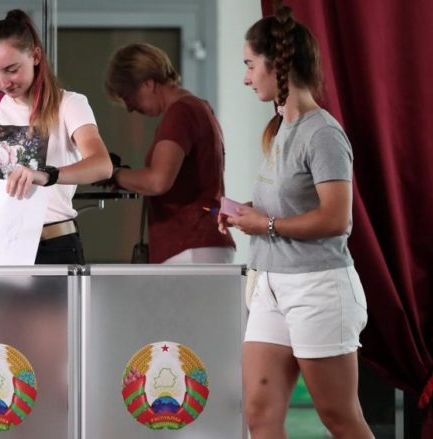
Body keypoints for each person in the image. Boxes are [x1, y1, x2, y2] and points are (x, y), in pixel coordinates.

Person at [219, 3, 373, 438]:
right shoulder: (282, 128)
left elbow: (336, 219)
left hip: (317, 287)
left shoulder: (322, 133)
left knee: (339, 418)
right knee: (259, 415)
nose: (246, 77)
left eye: (250, 65)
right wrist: (245, 213)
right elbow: (288, 204)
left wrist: (265, 225)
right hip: (270, 284)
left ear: (278, 66)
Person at [0, 9, 112, 264]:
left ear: (35, 56)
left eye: (12, 70)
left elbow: (102, 165)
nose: (4, 82)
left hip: (53, 246)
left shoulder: (69, 104)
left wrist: (45, 175)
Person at [103, 43, 235, 264]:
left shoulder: (180, 113)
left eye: (128, 97)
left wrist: (113, 174)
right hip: (202, 241)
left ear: (148, 83)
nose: (130, 108)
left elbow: (157, 181)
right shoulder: (199, 107)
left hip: (190, 242)